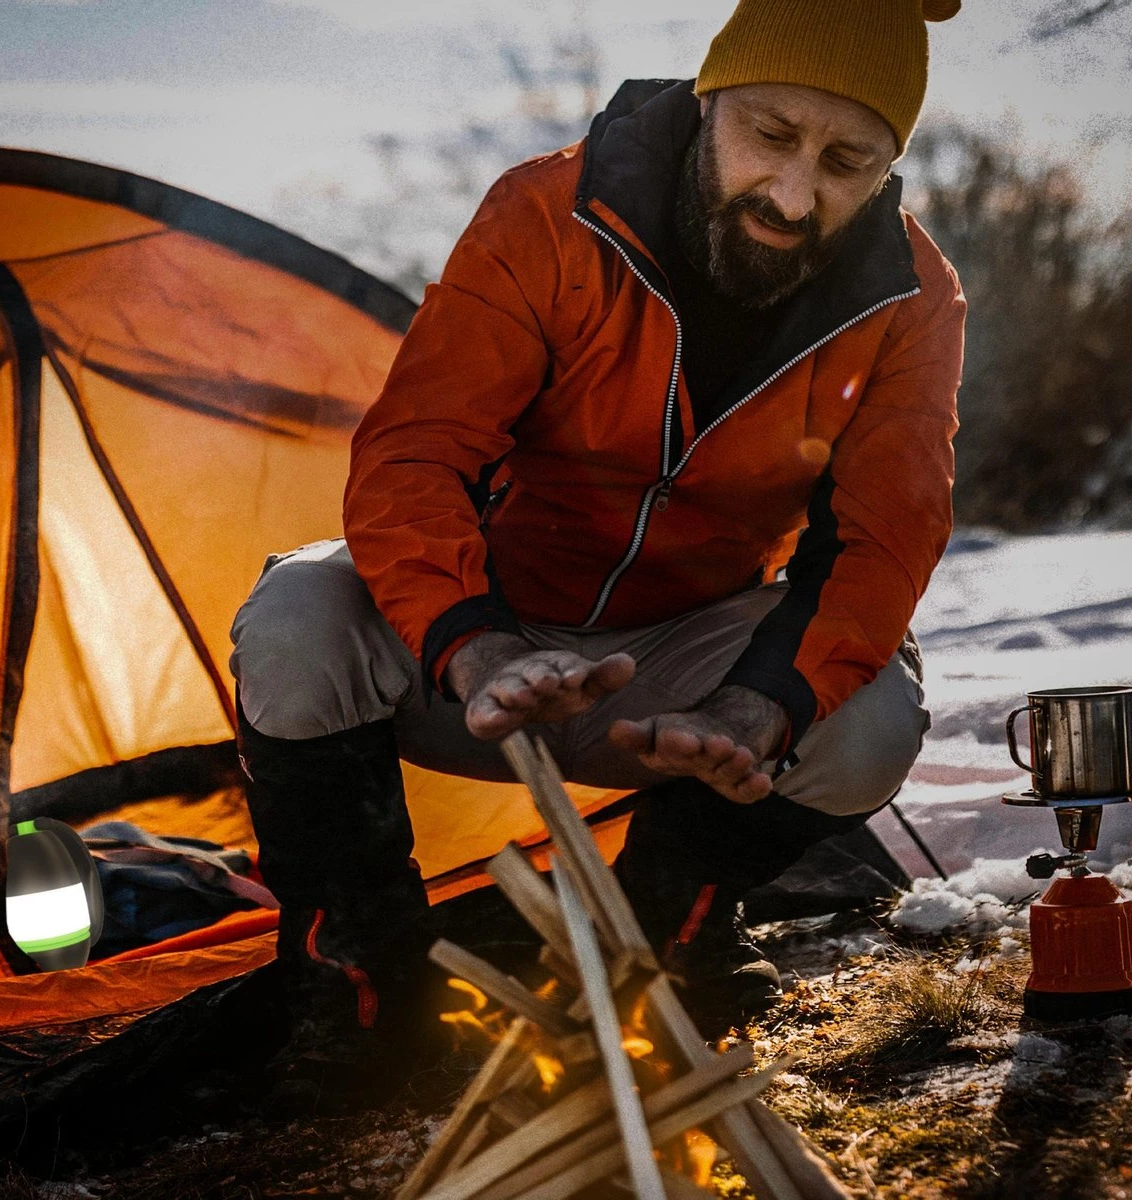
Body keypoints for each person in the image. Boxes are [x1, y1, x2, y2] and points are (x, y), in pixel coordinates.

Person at [230, 0, 967, 1107]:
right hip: (485, 640)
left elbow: (883, 538)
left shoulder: (912, 297)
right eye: (771, 136)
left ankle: (658, 943)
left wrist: (756, 709)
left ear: (886, 168)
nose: (796, 194)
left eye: (847, 160)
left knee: (869, 722)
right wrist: (473, 646)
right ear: (710, 101)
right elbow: (416, 454)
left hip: (684, 677)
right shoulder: (546, 213)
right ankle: (362, 985)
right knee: (296, 618)